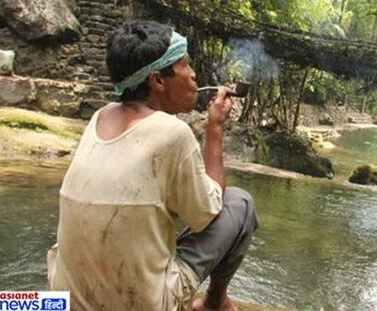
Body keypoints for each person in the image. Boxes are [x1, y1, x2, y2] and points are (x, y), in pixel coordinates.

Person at [47, 20, 258, 311]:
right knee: (240, 202)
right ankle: (213, 302)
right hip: (142, 304)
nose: (194, 75)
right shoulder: (172, 132)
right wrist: (214, 128)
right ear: (158, 80)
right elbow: (207, 214)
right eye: (185, 65)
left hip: (67, 301)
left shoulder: (100, 117)